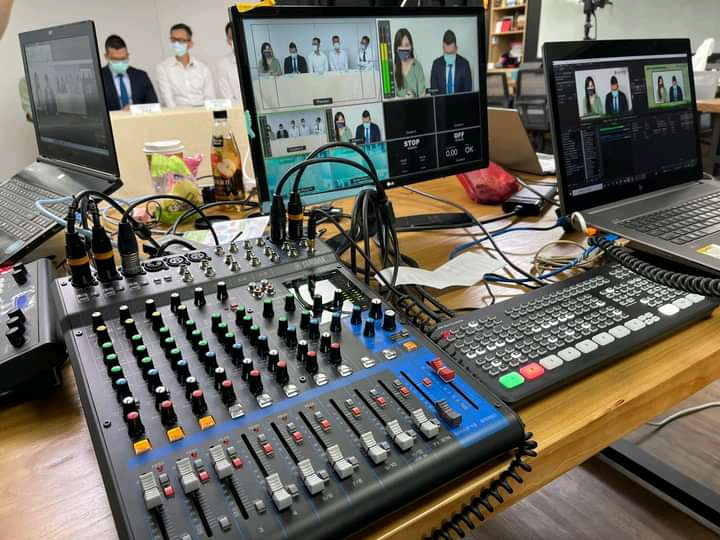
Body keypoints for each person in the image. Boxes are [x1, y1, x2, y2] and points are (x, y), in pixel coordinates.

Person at [156, 23, 215, 107]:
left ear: (190, 43)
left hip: (202, 111)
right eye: (173, 40)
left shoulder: (203, 68)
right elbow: (168, 99)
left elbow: (210, 98)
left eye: (181, 40)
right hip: (178, 113)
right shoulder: (163, 68)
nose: (176, 44)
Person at [101, 35, 157, 111]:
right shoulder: (99, 78)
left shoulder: (141, 76)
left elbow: (154, 105)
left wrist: (135, 109)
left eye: (123, 58)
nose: (120, 62)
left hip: (139, 117)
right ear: (106, 56)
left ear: (127, 55)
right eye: (115, 59)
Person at [430, 30, 472, 95]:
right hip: (441, 101)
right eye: (447, 53)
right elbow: (433, 92)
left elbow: (468, 92)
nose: (449, 57)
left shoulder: (465, 65)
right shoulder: (436, 65)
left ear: (456, 48)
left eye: (451, 53)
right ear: (443, 48)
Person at [393, 28, 426, 98]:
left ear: (411, 46)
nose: (403, 49)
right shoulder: (392, 69)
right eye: (400, 45)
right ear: (396, 49)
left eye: (406, 45)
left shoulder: (417, 66)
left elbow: (422, 95)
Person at [217, 22, 242, 101]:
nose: (236, 39)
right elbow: (228, 97)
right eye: (232, 37)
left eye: (239, 36)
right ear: (228, 41)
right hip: (239, 107)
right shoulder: (223, 63)